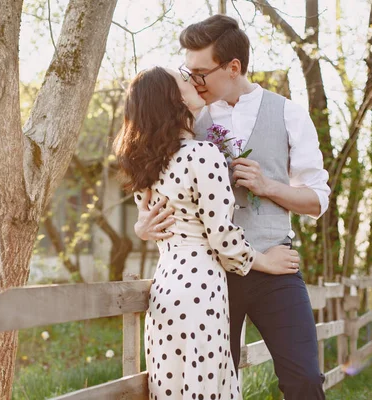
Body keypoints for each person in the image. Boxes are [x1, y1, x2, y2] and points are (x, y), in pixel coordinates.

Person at [135, 15, 330, 400]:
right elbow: (152, 183)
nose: (192, 82)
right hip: (210, 279)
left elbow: (317, 201)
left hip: (275, 267)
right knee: (216, 386)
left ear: (233, 67)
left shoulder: (289, 113)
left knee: (304, 378)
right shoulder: (184, 117)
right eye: (186, 72)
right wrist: (142, 226)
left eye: (200, 72)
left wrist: (267, 185)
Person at [114, 66, 299, 400]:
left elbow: (149, 223)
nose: (193, 81)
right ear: (173, 100)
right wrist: (266, 262)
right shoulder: (203, 154)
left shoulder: (147, 165)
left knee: (173, 388)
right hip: (200, 288)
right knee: (205, 387)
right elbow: (222, 236)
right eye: (184, 80)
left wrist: (142, 229)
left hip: (165, 289)